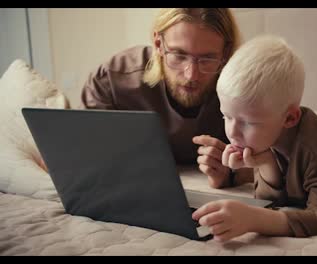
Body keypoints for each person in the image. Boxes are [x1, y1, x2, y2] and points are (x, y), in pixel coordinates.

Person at [192, 35, 317, 242]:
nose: (233, 133)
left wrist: (253, 219)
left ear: (290, 118)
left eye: (248, 122)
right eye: (226, 116)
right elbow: (274, 198)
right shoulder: (265, 129)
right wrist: (264, 162)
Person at [80, 8, 252, 187]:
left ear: (225, 53)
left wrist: (233, 174)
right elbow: (83, 154)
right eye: (179, 55)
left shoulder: (244, 87)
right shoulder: (112, 80)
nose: (191, 75)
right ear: (158, 44)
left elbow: (274, 162)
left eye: (207, 59)